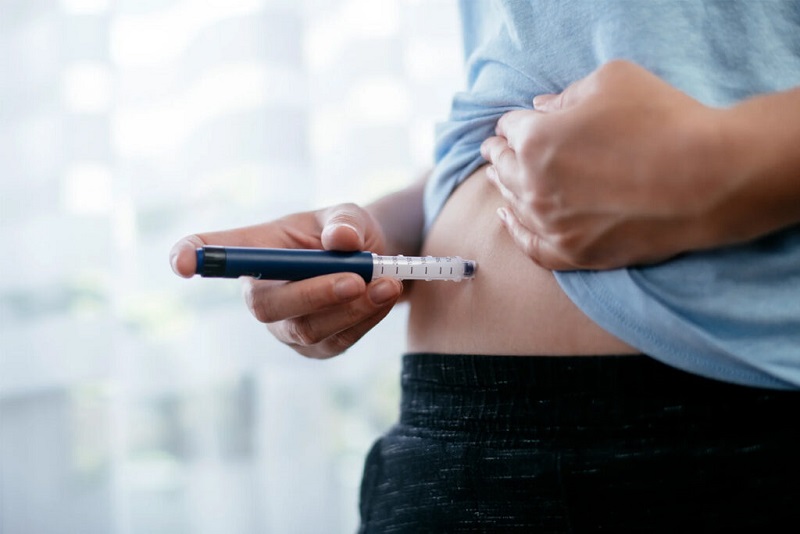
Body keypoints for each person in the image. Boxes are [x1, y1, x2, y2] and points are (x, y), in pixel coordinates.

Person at [171, 1, 800, 530]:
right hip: (452, 436)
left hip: (739, 421)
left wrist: (718, 165)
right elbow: (517, 94)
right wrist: (387, 228)